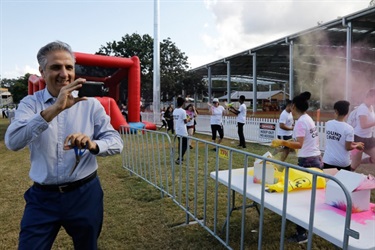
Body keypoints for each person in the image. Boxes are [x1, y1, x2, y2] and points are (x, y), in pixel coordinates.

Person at [4, 41, 124, 250]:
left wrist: (92, 144)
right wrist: (55, 109)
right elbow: (13, 142)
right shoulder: (30, 104)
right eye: (55, 67)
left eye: (69, 67)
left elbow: (116, 142)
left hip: (84, 193)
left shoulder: (90, 104)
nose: (64, 73)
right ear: (42, 71)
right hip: (42, 197)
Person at [271, 91, 321, 244]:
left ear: (294, 106)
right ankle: (307, 226)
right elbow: (301, 140)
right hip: (315, 158)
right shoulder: (307, 118)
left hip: (308, 161)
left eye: (291, 105)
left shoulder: (300, 122)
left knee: (303, 199)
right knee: (310, 197)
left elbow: (299, 144)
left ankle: (302, 234)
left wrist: (283, 142)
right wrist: (286, 143)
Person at [323, 100, 364, 171]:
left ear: (336, 111)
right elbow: (348, 147)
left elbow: (338, 140)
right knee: (342, 182)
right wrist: (357, 145)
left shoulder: (328, 124)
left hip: (328, 160)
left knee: (328, 181)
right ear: (347, 113)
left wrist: (355, 143)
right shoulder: (349, 128)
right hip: (342, 163)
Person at [350, 88, 375, 170]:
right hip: (358, 139)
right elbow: (363, 125)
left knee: (357, 162)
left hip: (368, 139)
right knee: (354, 165)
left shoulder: (371, 107)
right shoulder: (363, 108)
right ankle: (342, 177)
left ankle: (360, 161)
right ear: (371, 97)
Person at [173, 97, 189, 164]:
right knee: (185, 145)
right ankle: (180, 158)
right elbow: (185, 121)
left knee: (180, 144)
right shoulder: (183, 111)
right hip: (182, 130)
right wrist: (189, 119)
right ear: (183, 103)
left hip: (177, 129)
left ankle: (180, 157)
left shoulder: (175, 110)